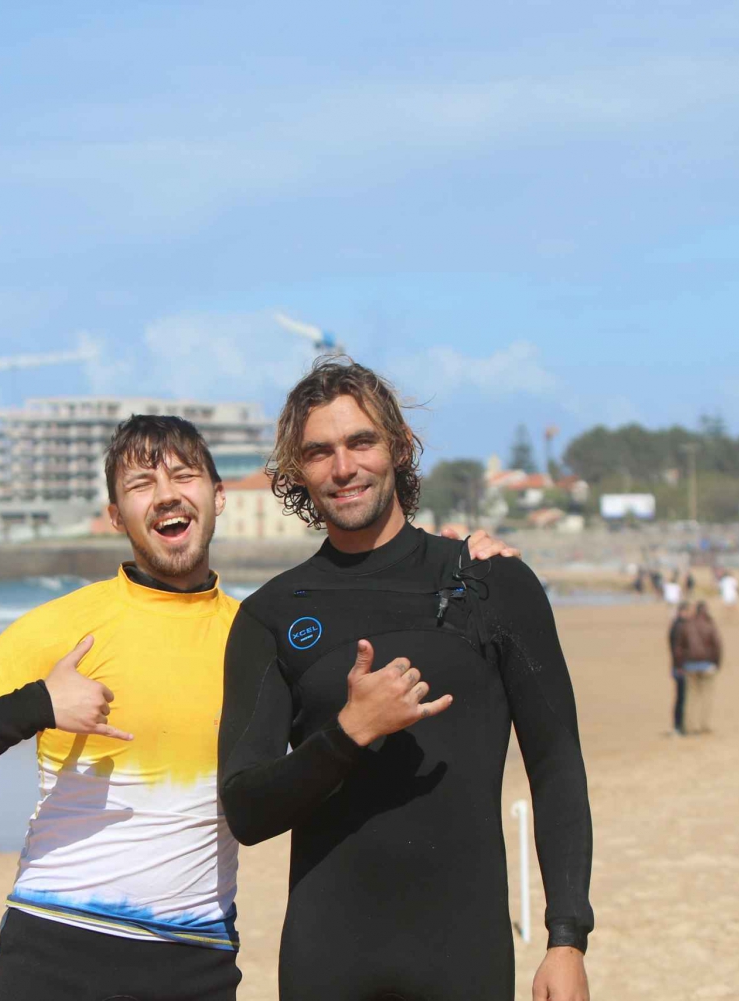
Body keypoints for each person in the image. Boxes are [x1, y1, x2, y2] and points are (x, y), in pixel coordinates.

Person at [0, 412, 513, 1001]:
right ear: (116, 515)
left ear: (218, 496)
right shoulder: (66, 626)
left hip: (197, 962)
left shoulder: (256, 634)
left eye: (184, 476)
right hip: (56, 946)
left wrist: (464, 566)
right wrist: (38, 702)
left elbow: (301, 772)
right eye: (141, 484)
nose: (166, 495)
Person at [218, 359, 593, 1001]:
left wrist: (566, 938)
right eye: (319, 452)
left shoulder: (489, 584)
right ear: (297, 471)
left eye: (361, 442)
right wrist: (347, 734)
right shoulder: (271, 615)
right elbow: (246, 809)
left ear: (397, 446)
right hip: (327, 961)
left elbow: (556, 764)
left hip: (463, 957)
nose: (344, 467)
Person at [674, 601, 722, 735]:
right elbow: (717, 646)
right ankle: (704, 725)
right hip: (707, 664)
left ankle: (690, 726)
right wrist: (717, 663)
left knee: (691, 696)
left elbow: (678, 647)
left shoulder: (687, 625)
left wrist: (679, 664)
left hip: (690, 665)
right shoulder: (709, 625)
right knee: (706, 696)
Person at [668, 601, 692, 736]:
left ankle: (681, 725)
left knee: (683, 697)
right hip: (680, 667)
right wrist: (679, 666)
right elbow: (676, 649)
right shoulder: (678, 626)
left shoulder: (679, 625)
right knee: (681, 697)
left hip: (680, 666)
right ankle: (678, 726)